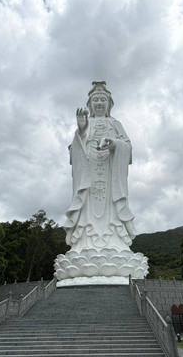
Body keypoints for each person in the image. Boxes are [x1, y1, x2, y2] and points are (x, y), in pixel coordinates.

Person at [63, 81, 137, 253]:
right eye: (95, 99)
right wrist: (81, 131)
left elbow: (128, 146)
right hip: (88, 175)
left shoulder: (115, 123)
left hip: (110, 174)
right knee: (87, 206)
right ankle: (83, 244)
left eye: (102, 99)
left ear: (109, 104)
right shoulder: (86, 124)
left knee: (111, 206)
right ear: (90, 104)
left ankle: (115, 243)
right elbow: (74, 151)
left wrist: (115, 144)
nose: (99, 103)